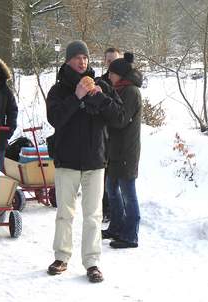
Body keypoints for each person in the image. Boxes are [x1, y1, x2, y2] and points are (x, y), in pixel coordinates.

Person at [46, 40, 125, 283]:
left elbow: (120, 119)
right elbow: (55, 119)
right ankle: (61, 257)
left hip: (95, 160)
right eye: (77, 57)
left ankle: (92, 263)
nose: (82, 61)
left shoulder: (101, 86)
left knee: (93, 215)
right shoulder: (58, 90)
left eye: (86, 57)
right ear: (68, 60)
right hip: (67, 161)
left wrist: (101, 98)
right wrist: (77, 97)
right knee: (64, 213)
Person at [102, 52, 143, 248]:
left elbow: (120, 120)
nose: (108, 76)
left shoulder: (131, 92)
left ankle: (130, 236)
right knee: (111, 190)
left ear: (120, 74)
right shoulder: (118, 89)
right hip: (114, 150)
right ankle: (116, 228)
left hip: (126, 151)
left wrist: (105, 104)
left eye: (111, 73)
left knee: (128, 193)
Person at [98, 47, 121, 223]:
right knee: (105, 174)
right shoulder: (102, 81)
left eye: (114, 60)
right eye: (108, 61)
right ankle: (106, 209)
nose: (111, 63)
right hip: (105, 134)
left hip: (121, 134)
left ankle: (119, 210)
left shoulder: (126, 81)